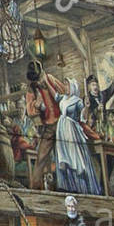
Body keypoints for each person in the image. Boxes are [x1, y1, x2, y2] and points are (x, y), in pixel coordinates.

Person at [25, 59, 68, 190]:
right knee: (41, 158)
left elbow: (64, 93)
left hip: (61, 124)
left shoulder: (50, 79)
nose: (38, 82)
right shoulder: (32, 89)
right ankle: (35, 189)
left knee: (65, 157)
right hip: (47, 127)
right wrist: (37, 105)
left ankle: (67, 187)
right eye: (36, 80)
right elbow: (30, 110)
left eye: (39, 78)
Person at [55, 79, 103, 195]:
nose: (65, 88)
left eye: (67, 86)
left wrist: (86, 107)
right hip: (62, 130)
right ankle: (68, 186)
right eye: (65, 85)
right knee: (64, 157)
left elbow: (83, 117)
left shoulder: (77, 101)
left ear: (72, 87)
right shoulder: (62, 98)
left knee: (75, 158)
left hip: (72, 130)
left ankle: (82, 187)